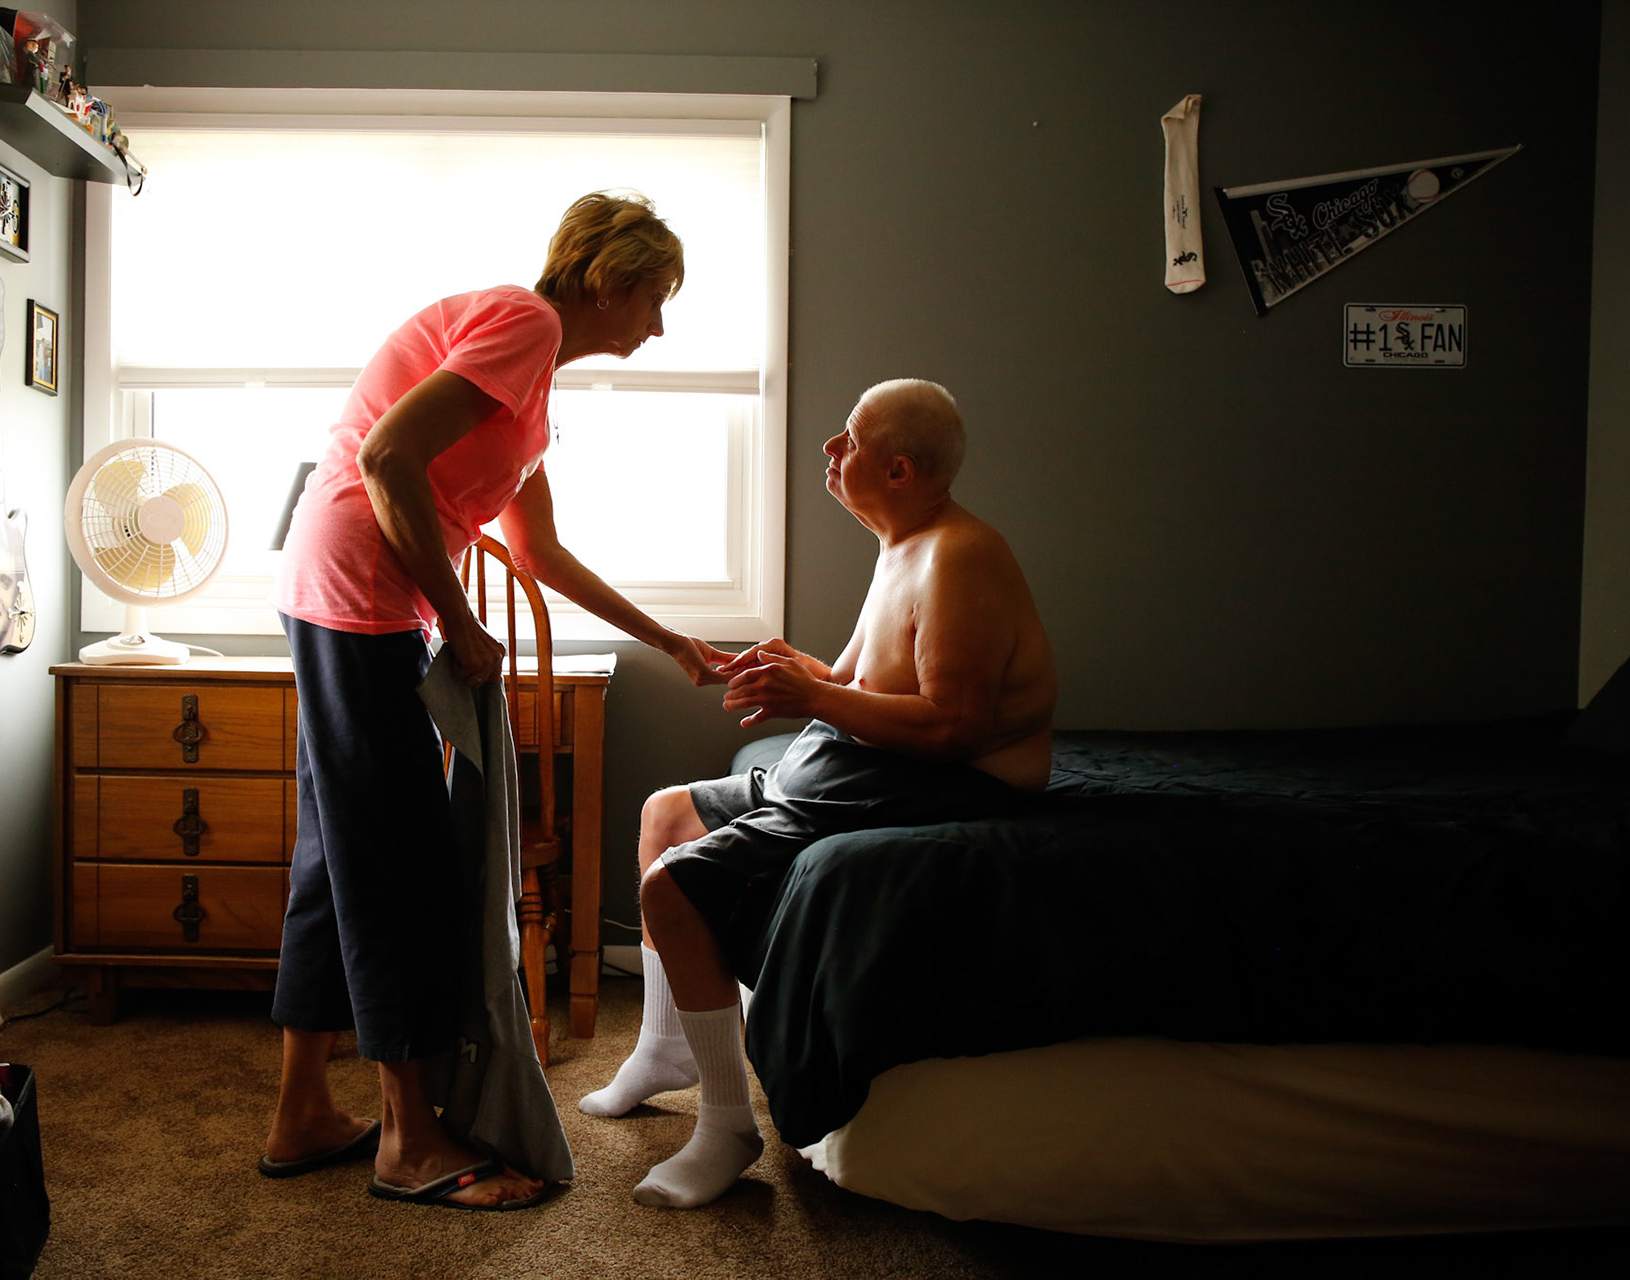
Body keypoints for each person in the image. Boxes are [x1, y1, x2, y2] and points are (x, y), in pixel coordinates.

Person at [268, 191, 733, 1210]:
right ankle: (409, 1137)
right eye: (657, 298)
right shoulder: (528, 324)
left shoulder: (527, 374)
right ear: (612, 281)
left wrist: (670, 640)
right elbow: (387, 458)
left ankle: (303, 1110)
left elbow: (540, 552)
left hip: (336, 595)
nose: (659, 323)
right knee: (399, 865)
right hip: (363, 602)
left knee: (336, 855)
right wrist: (459, 620)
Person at [581, 378, 1058, 1208]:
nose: (832, 452)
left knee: (676, 884)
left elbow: (956, 728)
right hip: (868, 760)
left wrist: (818, 700)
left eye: (850, 438)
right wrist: (801, 670)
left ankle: (729, 1127)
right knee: (665, 812)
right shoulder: (903, 544)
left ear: (901, 468)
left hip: (936, 780)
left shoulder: (960, 555)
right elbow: (863, 679)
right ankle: (666, 1047)